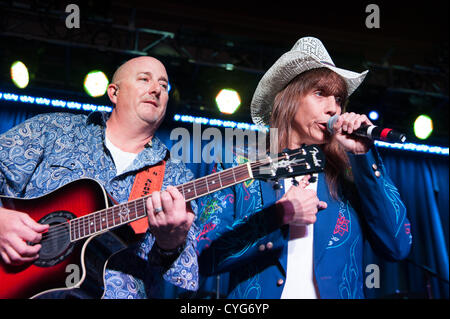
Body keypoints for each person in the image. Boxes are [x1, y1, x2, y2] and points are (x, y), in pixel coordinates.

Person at [195, 36, 412, 299]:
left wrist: (362, 156)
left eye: (339, 99)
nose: (333, 108)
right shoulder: (241, 167)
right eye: (320, 93)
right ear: (289, 99)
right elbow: (204, 259)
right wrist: (276, 216)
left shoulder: (351, 174)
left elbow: (397, 246)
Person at [0, 56, 198, 298]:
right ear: (114, 93)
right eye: (144, 79)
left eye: (164, 85)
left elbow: (179, 273)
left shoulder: (176, 177)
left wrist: (172, 241)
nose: (156, 89)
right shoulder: (53, 130)